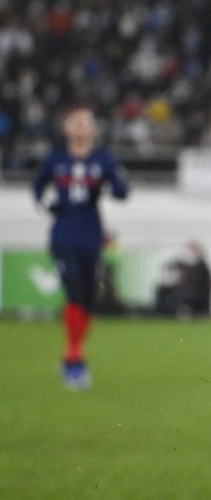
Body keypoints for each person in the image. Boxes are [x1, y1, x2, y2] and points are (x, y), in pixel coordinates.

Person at [32, 106, 129, 389]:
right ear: (66, 128)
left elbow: (122, 190)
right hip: (63, 235)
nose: (79, 126)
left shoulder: (103, 159)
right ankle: (74, 358)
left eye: (85, 122)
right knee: (73, 288)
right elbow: (37, 188)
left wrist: (110, 188)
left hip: (91, 236)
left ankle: (73, 353)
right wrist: (48, 205)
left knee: (87, 299)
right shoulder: (56, 158)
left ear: (92, 129)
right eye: (74, 122)